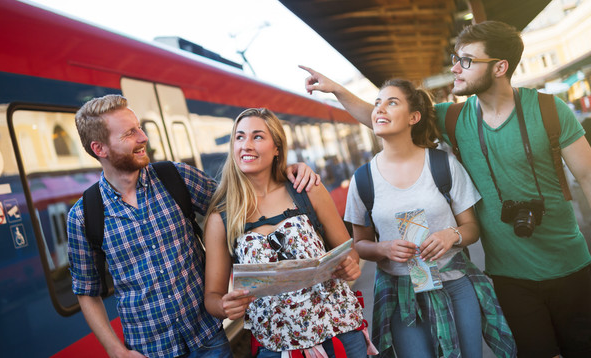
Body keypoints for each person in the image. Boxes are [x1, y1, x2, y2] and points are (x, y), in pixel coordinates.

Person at [301, 20, 591, 358]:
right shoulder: (454, 119)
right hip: (510, 276)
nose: (455, 67)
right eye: (456, 57)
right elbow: (384, 116)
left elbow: (587, 177)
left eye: (467, 60)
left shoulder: (548, 109)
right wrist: (337, 89)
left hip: (572, 265)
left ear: (500, 67)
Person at [67, 95, 320, 358]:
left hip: (207, 339)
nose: (143, 137)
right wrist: (115, 350)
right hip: (149, 350)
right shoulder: (84, 217)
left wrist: (284, 171)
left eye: (140, 127)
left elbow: (243, 203)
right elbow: (87, 291)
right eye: (130, 133)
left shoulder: (176, 177)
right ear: (100, 149)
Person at [344, 79, 516, 357]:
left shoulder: (442, 164)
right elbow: (360, 244)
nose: (379, 109)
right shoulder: (363, 179)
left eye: (392, 102)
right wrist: (383, 248)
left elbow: (472, 228)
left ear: (414, 117)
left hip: (455, 285)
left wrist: (452, 235)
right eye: (377, 103)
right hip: (401, 297)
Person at [203, 108, 368, 357]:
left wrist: (350, 265)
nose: (246, 145)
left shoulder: (306, 189)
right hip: (276, 348)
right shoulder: (222, 217)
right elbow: (212, 297)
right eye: (239, 137)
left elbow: (350, 253)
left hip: (341, 334)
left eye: (257, 137)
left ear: (277, 147)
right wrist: (225, 307)